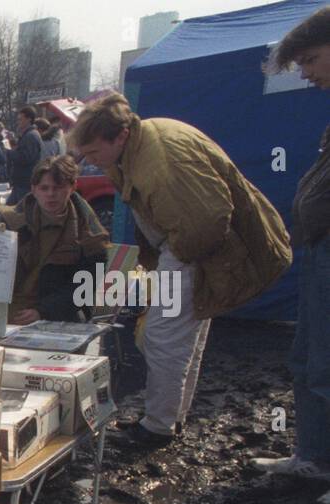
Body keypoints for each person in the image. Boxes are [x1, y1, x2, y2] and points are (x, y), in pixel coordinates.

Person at [72, 93, 291, 448]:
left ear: (121, 136)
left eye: (94, 153)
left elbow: (205, 222)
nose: (90, 161)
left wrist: (174, 261)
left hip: (187, 251)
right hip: (184, 249)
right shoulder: (144, 143)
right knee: (184, 337)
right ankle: (169, 417)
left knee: (164, 337)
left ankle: (158, 426)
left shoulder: (161, 161)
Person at [254, 8, 330, 489]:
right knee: (310, 359)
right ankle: (314, 456)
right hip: (319, 252)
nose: (305, 73)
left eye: (311, 59)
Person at [0, 156, 110, 325]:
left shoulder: (91, 235)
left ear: (73, 187)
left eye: (58, 188)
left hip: (60, 313)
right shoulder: (7, 223)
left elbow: (84, 289)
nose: (50, 194)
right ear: (34, 190)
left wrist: (42, 311)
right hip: (9, 309)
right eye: (44, 188)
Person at [7, 106, 43, 206]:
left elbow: (25, 158)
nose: (18, 121)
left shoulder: (31, 136)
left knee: (20, 212)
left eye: (20, 119)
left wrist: (8, 152)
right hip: (21, 182)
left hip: (25, 182)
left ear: (29, 119)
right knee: (9, 211)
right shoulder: (29, 135)